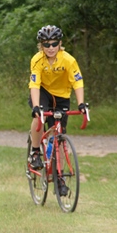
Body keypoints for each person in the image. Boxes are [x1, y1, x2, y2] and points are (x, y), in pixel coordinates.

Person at [28, 25, 86, 196]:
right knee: (39, 117)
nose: (51, 48)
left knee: (58, 136)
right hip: (43, 93)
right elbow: (34, 84)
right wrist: (37, 107)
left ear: (60, 43)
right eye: (46, 45)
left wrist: (81, 103)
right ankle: (35, 152)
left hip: (62, 97)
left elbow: (77, 82)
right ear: (41, 46)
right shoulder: (37, 60)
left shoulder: (68, 60)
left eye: (54, 44)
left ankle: (59, 178)